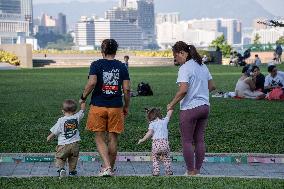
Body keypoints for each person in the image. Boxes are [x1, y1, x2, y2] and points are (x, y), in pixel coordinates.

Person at [80, 39, 130, 177]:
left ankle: (107, 167)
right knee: (113, 138)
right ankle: (109, 168)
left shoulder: (96, 64)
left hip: (98, 106)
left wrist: (83, 97)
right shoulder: (122, 66)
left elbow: (92, 83)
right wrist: (126, 106)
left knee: (99, 137)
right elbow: (127, 89)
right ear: (115, 51)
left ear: (102, 51)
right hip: (116, 107)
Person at [167, 41, 216, 176]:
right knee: (199, 140)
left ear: (182, 53)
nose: (175, 59)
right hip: (205, 107)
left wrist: (171, 104)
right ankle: (198, 170)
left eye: (175, 56)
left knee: (187, 141)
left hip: (190, 109)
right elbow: (212, 86)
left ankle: (190, 172)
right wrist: (200, 91)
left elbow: (183, 90)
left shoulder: (184, 68)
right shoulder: (203, 65)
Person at [47, 99, 85, 177]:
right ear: (74, 111)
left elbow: (55, 131)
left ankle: (61, 169)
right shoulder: (77, 117)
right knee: (73, 158)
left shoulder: (61, 120)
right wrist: (83, 102)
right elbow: (82, 110)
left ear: (63, 111)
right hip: (75, 144)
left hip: (63, 145)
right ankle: (72, 171)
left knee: (60, 157)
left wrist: (49, 137)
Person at [138, 108, 174, 176]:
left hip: (156, 144)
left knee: (155, 158)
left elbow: (149, 133)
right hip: (165, 144)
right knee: (166, 157)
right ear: (159, 114)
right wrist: (170, 107)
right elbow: (169, 114)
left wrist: (142, 140)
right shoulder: (164, 121)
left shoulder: (152, 123)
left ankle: (156, 171)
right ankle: (168, 171)